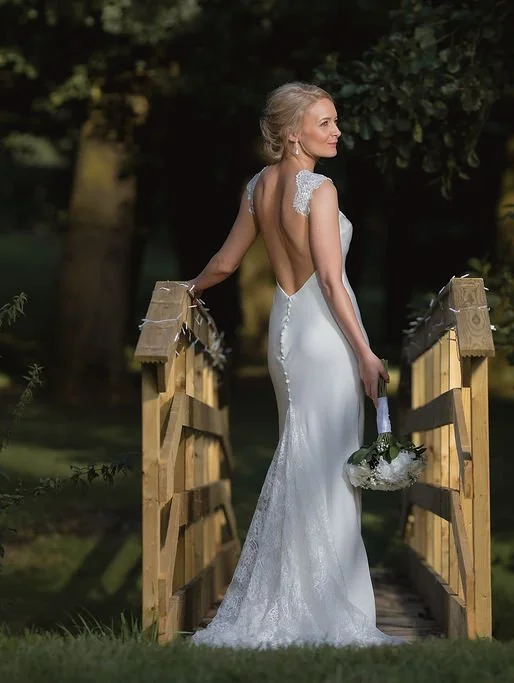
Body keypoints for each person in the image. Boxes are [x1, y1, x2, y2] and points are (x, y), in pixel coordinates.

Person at [182, 82, 399, 648]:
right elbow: (330, 278)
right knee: (329, 467)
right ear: (291, 133)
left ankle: (292, 596)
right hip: (325, 336)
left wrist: (186, 290)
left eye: (335, 121)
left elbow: (225, 263)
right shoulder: (319, 189)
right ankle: (327, 607)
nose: (337, 131)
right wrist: (366, 352)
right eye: (324, 123)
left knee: (301, 456)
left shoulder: (257, 187)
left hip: (285, 333)